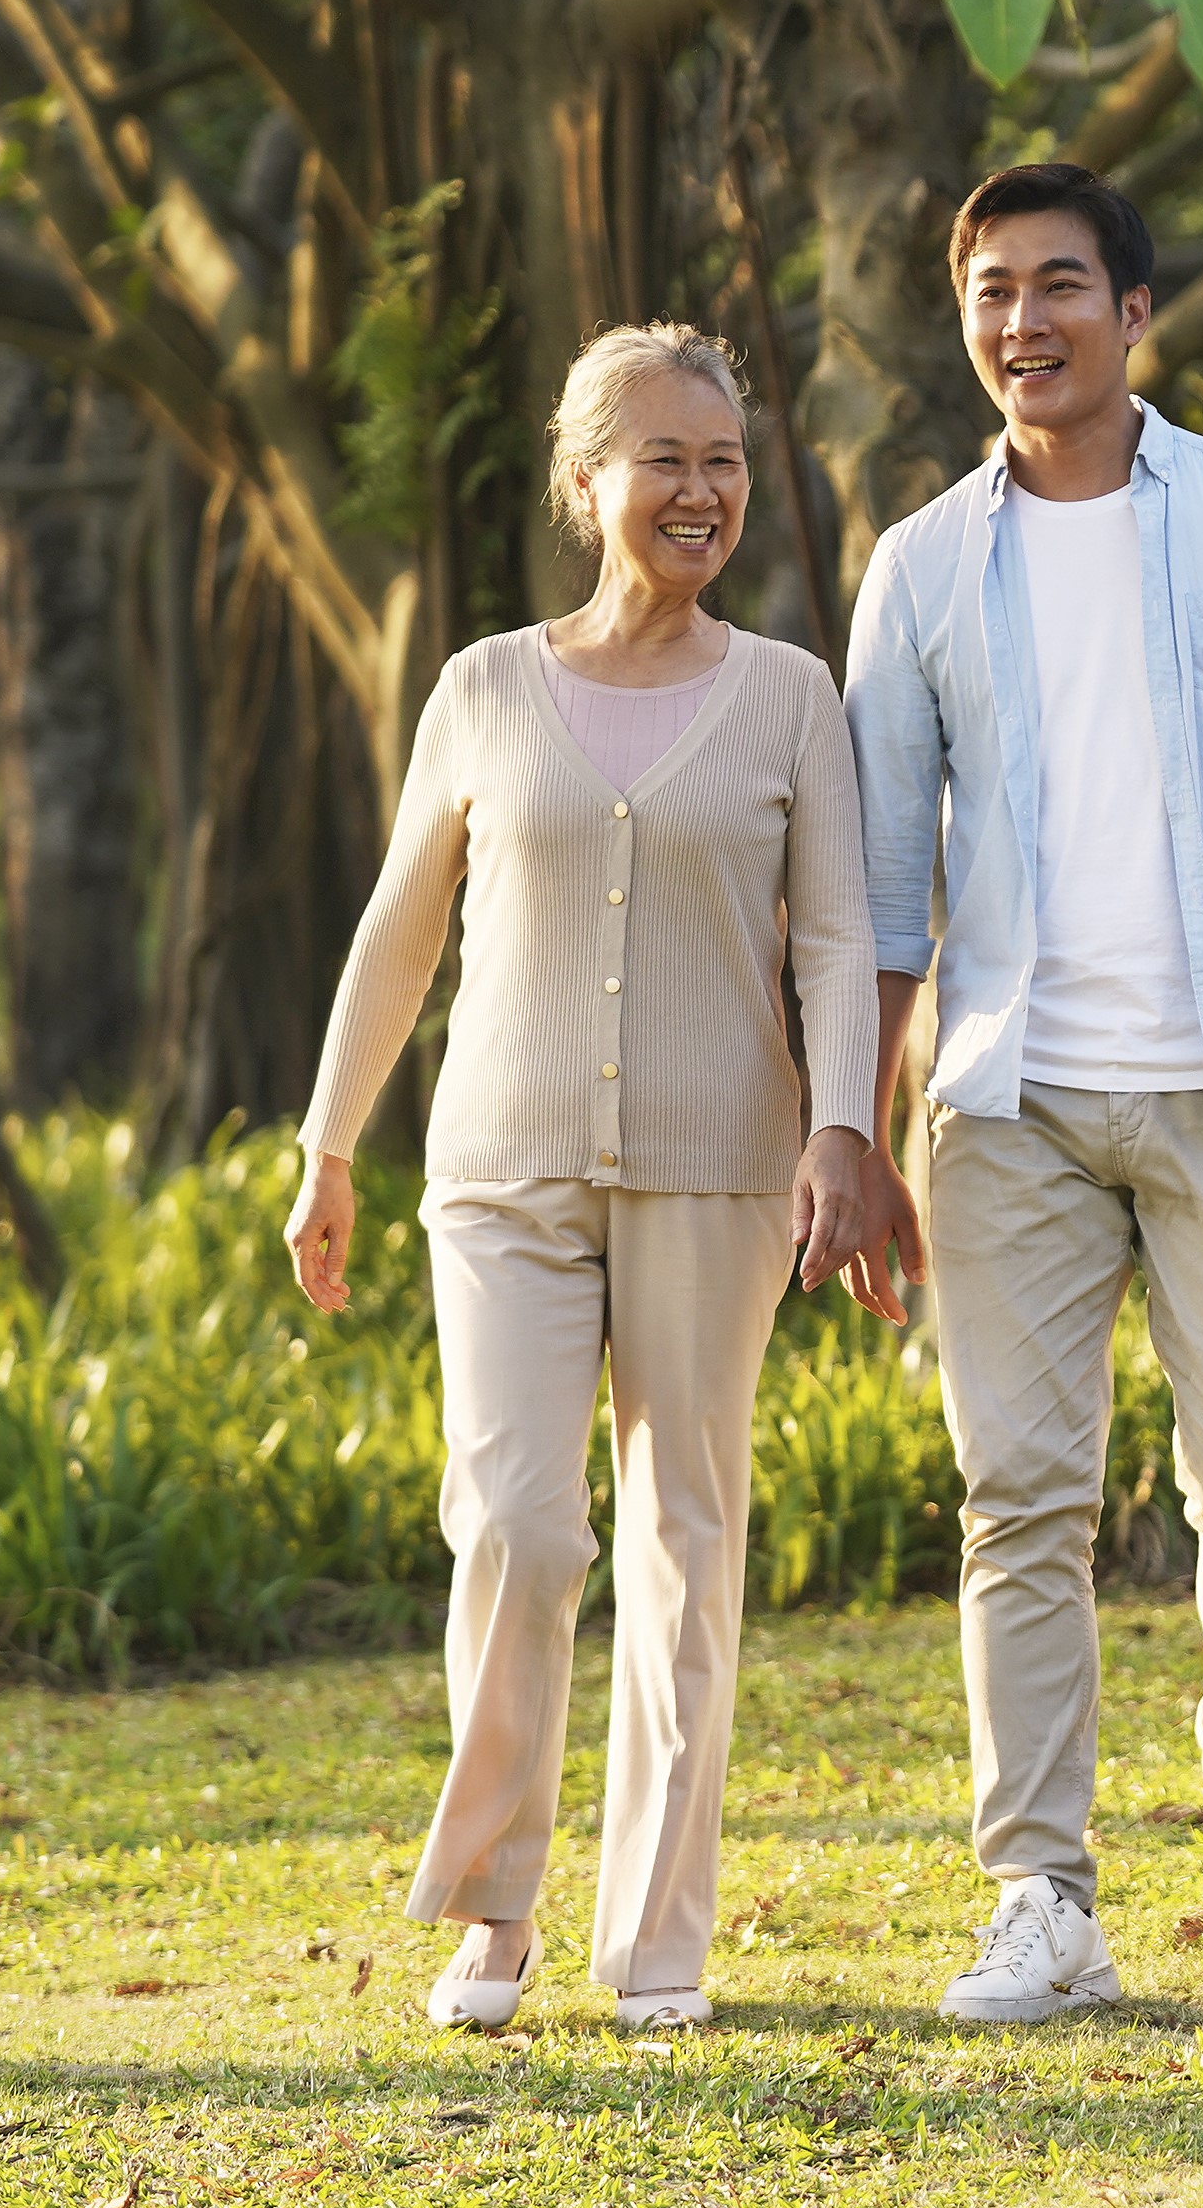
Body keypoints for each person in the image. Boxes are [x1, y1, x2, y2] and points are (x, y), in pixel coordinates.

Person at [844, 163, 1203, 2019]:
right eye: (993, 292)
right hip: (1006, 1096)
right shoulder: (920, 564)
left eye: (1060, 286)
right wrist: (852, 1128)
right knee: (1017, 1501)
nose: (1025, 322)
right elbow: (869, 880)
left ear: (1133, 313)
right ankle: (1040, 1894)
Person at [284, 324, 877, 2034]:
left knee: (689, 1543)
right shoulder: (482, 685)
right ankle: (491, 1902)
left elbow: (835, 939)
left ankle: (659, 1938)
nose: (700, 492)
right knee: (521, 1529)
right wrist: (329, 1145)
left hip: (715, 1168)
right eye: (664, 460)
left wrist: (844, 1125)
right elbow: (400, 935)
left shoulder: (786, 695)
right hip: (498, 1170)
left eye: (724, 462)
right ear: (585, 480)